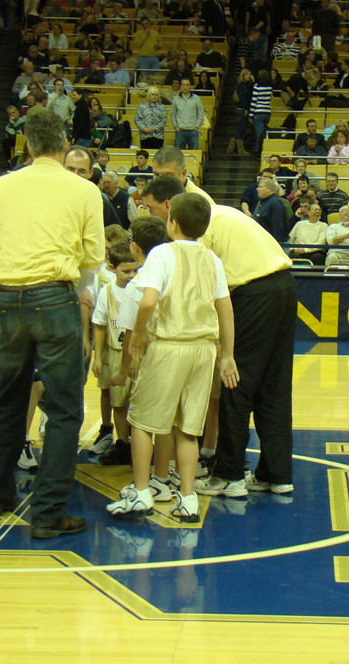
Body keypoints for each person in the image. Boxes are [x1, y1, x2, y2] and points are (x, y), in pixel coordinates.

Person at [0, 109, 104, 539]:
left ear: (27, 145)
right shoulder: (82, 189)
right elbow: (92, 257)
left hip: (7, 297)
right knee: (65, 407)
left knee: (9, 397)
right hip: (53, 295)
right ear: (65, 142)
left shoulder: (1, 186)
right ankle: (49, 513)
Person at [142, 176, 295, 499]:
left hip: (252, 293)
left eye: (153, 210)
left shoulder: (200, 226)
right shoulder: (221, 213)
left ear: (170, 209)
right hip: (284, 286)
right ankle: (276, 473)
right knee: (274, 385)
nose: (152, 217)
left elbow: (200, 288)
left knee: (234, 382)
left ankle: (229, 474)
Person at [106, 195, 238, 521]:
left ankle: (140, 493)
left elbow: (148, 302)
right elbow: (226, 309)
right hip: (204, 350)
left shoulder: (163, 253)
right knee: (188, 429)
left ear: (172, 222)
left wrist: (138, 332)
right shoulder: (212, 258)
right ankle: (189, 499)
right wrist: (228, 355)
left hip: (170, 346)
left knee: (141, 422)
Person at [89, 239, 138, 470]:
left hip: (137, 355)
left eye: (135, 270)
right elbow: (99, 325)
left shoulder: (141, 289)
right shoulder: (106, 292)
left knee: (139, 403)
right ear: (111, 268)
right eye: (126, 271)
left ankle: (139, 443)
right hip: (115, 353)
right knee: (117, 403)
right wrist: (98, 357)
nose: (131, 275)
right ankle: (122, 443)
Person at [171, 78, 204, 150]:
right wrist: (175, 126)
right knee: (179, 156)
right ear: (181, 86)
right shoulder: (175, 99)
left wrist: (197, 126)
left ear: (190, 86)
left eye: (187, 85)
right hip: (180, 131)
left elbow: (200, 114)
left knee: (194, 154)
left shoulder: (197, 98)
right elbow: (173, 114)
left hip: (193, 131)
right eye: (183, 85)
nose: (185, 87)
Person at [253, 177, 288, 243]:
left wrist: (276, 243)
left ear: (269, 188)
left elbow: (278, 226)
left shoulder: (275, 203)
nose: (257, 189)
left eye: (260, 187)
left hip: (271, 243)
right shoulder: (265, 202)